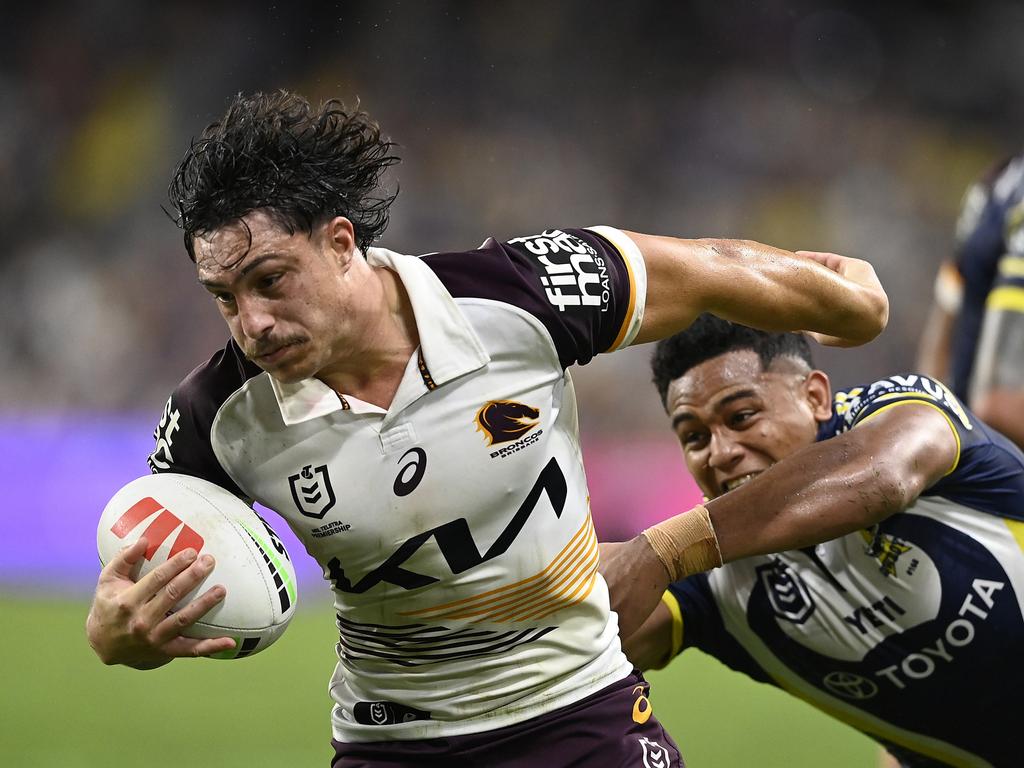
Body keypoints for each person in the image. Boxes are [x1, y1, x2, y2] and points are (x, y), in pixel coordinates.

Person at [85, 91, 888, 767]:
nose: (252, 324)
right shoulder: (216, 418)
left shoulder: (519, 294)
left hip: (581, 712)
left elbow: (710, 269)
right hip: (392, 743)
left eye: (270, 281)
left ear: (340, 245)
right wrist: (118, 635)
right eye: (225, 297)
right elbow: (130, 586)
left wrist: (847, 301)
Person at [602, 315, 1024, 768]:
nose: (721, 452)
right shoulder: (714, 585)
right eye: (695, 437)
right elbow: (588, 634)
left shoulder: (896, 411)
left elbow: (884, 476)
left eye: (742, 417)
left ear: (816, 397)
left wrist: (666, 548)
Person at [917, 153, 1024, 449]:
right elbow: (1000, 404)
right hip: (998, 466)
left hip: (961, 455)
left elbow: (943, 321)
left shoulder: (998, 179)